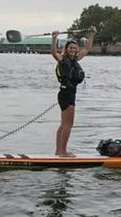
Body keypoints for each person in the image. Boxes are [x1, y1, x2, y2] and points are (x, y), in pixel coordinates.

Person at [50, 26, 97, 156]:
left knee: (64, 124)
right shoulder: (63, 59)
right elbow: (54, 53)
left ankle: (58, 151)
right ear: (66, 49)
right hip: (66, 94)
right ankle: (62, 151)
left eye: (75, 48)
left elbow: (87, 48)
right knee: (68, 125)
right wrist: (54, 38)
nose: (73, 50)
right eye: (70, 48)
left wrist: (92, 34)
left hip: (69, 94)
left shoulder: (75, 60)